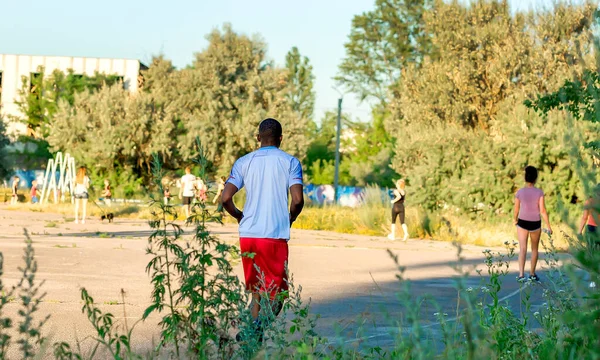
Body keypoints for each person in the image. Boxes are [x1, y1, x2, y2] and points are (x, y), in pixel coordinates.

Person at [222, 118, 304, 342]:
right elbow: (297, 200)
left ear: (258, 138)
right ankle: (255, 331)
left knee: (257, 291)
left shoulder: (244, 162)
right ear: (280, 139)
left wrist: (240, 215)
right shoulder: (290, 162)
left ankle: (252, 340)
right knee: (279, 293)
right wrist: (291, 217)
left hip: (248, 235)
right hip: (274, 235)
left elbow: (225, 198)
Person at [514, 166, 552, 282]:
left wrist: (515, 220)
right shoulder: (539, 192)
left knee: (523, 248)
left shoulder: (519, 192)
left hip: (522, 222)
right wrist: (549, 226)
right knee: (534, 249)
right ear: (535, 178)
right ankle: (532, 274)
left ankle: (521, 275)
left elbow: (516, 209)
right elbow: (543, 211)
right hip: (535, 223)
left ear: (525, 178)